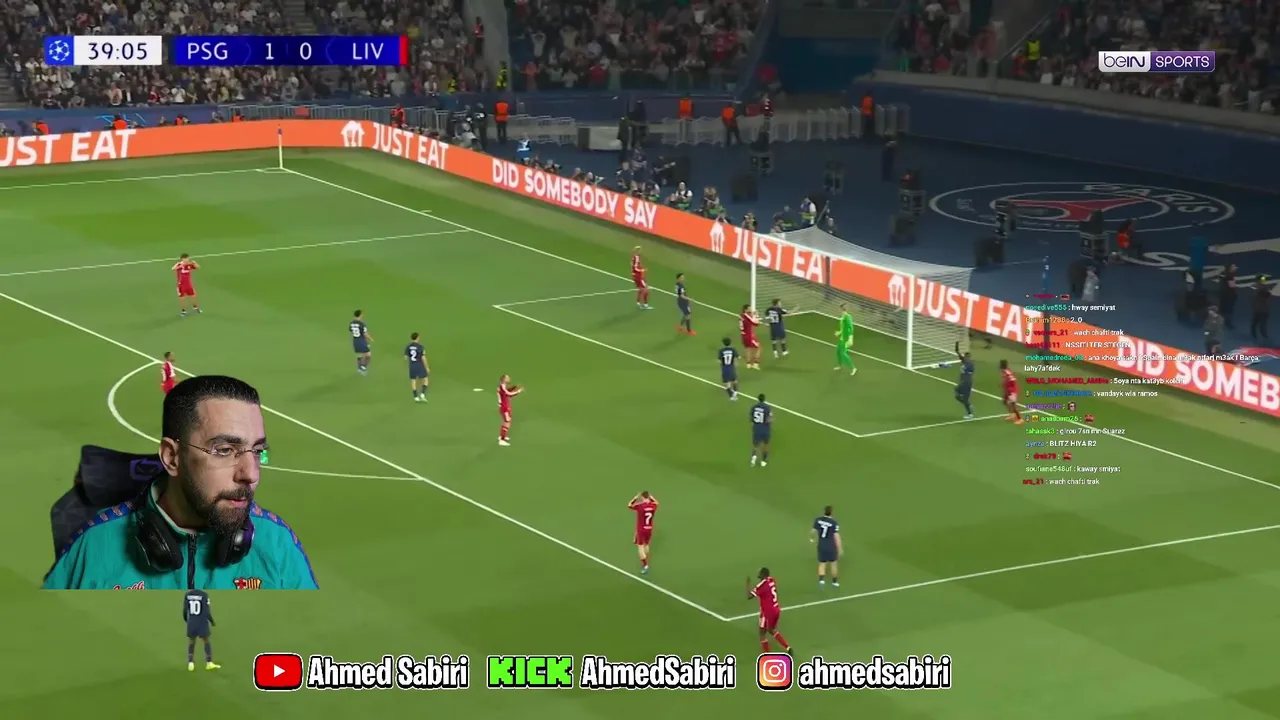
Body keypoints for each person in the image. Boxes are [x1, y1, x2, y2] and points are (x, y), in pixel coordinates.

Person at [42, 376, 318, 589]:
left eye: (257, 451)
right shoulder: (94, 547)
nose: (251, 474)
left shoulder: (277, 544)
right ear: (172, 457)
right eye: (224, 450)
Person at [747, 568, 791, 653]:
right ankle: (788, 647)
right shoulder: (771, 580)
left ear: (763, 575)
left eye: (760, 572)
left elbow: (749, 596)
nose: (758, 573)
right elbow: (775, 591)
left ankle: (768, 654)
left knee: (762, 633)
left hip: (767, 612)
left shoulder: (761, 586)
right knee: (771, 630)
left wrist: (747, 584)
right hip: (776, 609)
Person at [184, 588, 220, 671]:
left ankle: (190, 663)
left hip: (192, 622)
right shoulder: (204, 595)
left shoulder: (188, 594)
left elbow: (185, 610)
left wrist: (187, 620)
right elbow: (207, 611)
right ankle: (209, 663)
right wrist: (212, 621)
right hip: (202, 622)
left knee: (191, 641)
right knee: (206, 641)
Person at [628, 491, 658, 574]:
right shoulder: (653, 506)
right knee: (646, 544)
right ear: (649, 497)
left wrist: (635, 498)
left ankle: (645, 565)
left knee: (640, 547)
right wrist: (651, 498)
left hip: (641, 530)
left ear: (642, 497)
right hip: (649, 529)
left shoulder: (640, 506)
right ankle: (645, 557)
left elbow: (629, 505)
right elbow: (656, 502)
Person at [811, 506, 841, 588]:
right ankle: (834, 582)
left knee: (822, 564)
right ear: (832, 512)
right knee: (833, 564)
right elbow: (836, 536)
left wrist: (812, 538)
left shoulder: (818, 520)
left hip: (821, 545)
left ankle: (821, 581)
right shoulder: (834, 523)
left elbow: (813, 531)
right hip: (831, 546)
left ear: (824, 511)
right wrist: (839, 548)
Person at [497, 375, 523, 446]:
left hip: (504, 407)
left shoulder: (502, 386)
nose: (509, 379)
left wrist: (514, 387)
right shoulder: (502, 387)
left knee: (507, 421)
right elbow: (508, 394)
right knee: (507, 422)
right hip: (504, 407)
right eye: (507, 378)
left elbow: (507, 391)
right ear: (504, 379)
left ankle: (502, 436)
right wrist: (518, 391)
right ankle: (502, 440)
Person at [405, 332, 430, 402]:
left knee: (413, 381)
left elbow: (405, 357)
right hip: (419, 365)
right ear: (417, 338)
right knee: (425, 379)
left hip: (412, 366)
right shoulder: (420, 346)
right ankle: (422, 394)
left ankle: (415, 397)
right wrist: (427, 367)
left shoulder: (408, 346)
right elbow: (423, 358)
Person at [835, 303, 857, 375]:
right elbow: (843, 328)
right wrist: (839, 332)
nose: (839, 311)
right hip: (842, 338)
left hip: (846, 338)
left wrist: (850, 338)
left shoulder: (848, 317)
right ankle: (840, 365)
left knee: (843, 353)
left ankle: (853, 368)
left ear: (843, 310)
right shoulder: (843, 317)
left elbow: (851, 328)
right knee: (838, 351)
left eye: (840, 310)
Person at [750, 393, 771, 467]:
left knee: (755, 445)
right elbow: (768, 420)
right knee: (765, 445)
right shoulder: (767, 407)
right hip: (765, 429)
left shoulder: (754, 407)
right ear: (764, 399)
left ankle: (753, 458)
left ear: (758, 399)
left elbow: (752, 419)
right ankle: (763, 461)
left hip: (756, 429)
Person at [954, 342, 974, 419]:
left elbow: (970, 371)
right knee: (963, 399)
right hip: (967, 382)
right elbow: (957, 352)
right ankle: (970, 413)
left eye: (966, 356)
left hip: (966, 382)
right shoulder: (967, 362)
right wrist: (957, 345)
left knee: (956, 390)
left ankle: (969, 406)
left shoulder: (968, 362)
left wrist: (957, 345)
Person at [999, 360, 1022, 424]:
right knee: (1004, 401)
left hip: (1012, 391)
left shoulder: (1007, 373)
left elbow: (1013, 380)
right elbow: (1006, 380)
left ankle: (1020, 419)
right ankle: (1012, 415)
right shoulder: (1004, 371)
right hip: (1008, 390)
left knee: (1013, 405)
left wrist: (1011, 390)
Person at [350, 310, 373, 374]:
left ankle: (359, 368)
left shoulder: (352, 323)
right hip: (361, 341)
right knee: (368, 355)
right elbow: (365, 334)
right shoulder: (361, 323)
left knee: (359, 355)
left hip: (355, 341)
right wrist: (370, 339)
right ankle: (363, 367)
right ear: (360, 315)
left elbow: (351, 331)